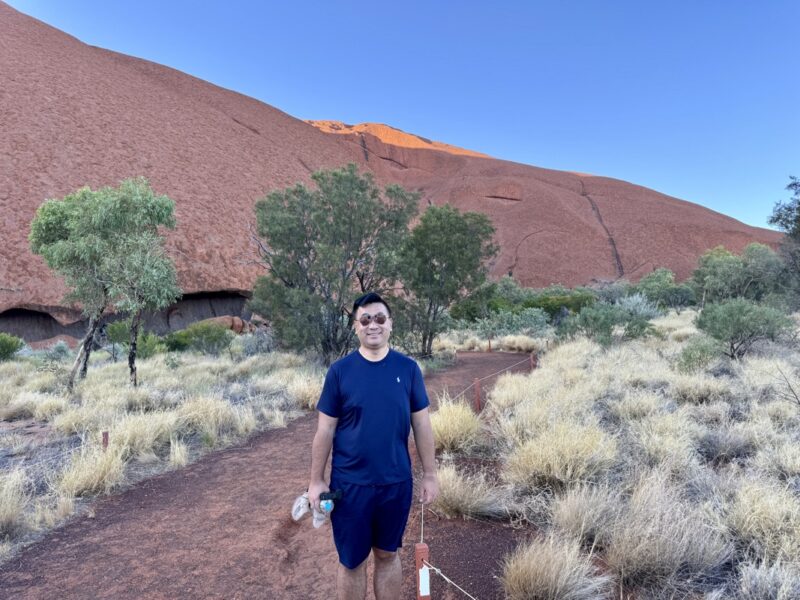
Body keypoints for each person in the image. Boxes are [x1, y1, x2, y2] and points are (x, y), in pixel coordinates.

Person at [308, 292, 439, 600]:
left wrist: (430, 474)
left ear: (390, 324)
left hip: (395, 483)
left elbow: (422, 424)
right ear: (356, 327)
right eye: (365, 319)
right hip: (350, 485)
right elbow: (325, 430)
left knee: (388, 555)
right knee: (352, 562)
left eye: (380, 318)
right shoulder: (340, 372)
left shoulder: (407, 370)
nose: (373, 325)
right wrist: (316, 480)